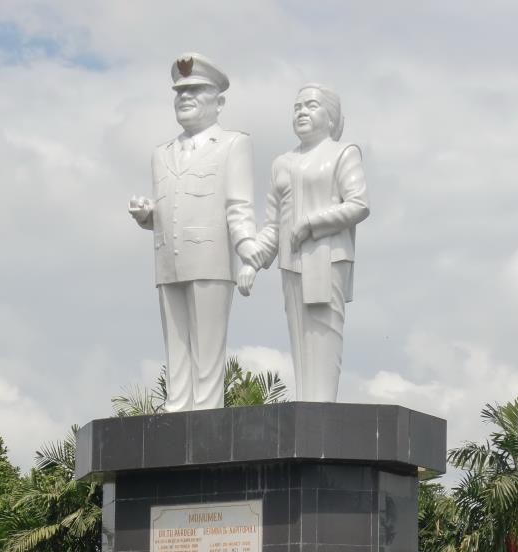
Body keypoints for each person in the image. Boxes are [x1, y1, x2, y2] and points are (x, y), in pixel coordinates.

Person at [129, 53, 264, 412]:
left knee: (206, 345)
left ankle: (205, 409)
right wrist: (148, 216)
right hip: (168, 258)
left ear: (218, 102)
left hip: (210, 256)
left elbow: (238, 205)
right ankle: (178, 407)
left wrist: (249, 250)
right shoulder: (162, 153)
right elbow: (170, 208)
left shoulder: (234, 144)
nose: (185, 98)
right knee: (176, 344)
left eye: (196, 91)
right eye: (180, 93)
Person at [238, 84, 369, 402]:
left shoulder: (342, 153)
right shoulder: (282, 163)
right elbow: (272, 225)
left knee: (325, 333)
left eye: (311, 105)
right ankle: (307, 404)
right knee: (300, 335)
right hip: (291, 262)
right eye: (297, 107)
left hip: (327, 256)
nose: (302, 112)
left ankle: (322, 405)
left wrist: (311, 223)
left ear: (330, 116)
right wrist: (252, 262)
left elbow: (358, 204)